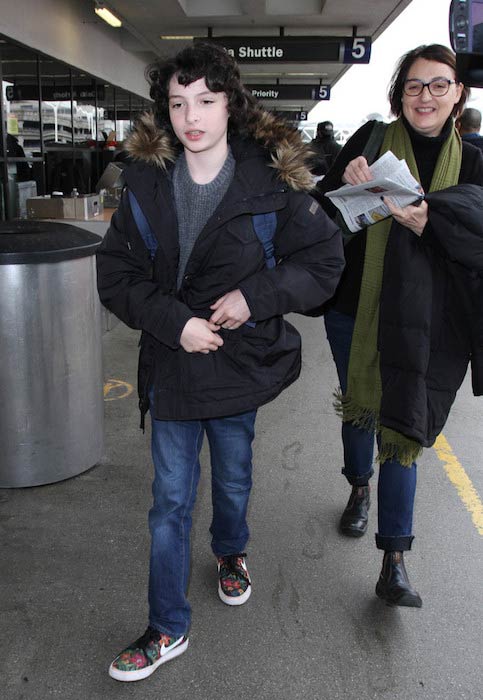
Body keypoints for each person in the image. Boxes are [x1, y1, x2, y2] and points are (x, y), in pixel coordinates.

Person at [96, 42, 344, 682]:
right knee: (170, 503)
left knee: (232, 480)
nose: (191, 116)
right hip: (175, 368)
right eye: (178, 103)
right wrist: (173, 322)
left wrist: (253, 297)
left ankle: (231, 552)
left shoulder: (272, 183)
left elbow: (322, 262)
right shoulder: (146, 182)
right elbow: (117, 273)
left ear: (230, 104)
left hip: (238, 369)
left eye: (206, 100)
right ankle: (166, 627)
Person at [316, 44, 483, 608]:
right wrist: (355, 184)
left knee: (404, 428)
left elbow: (477, 239)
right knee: (361, 409)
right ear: (399, 94)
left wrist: (429, 223)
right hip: (354, 312)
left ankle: (395, 561)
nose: (425, 96)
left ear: (458, 92)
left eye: (439, 85)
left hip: (433, 322)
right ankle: (359, 487)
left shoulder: (477, 161)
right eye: (414, 85)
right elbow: (325, 212)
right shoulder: (368, 140)